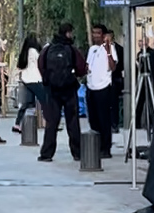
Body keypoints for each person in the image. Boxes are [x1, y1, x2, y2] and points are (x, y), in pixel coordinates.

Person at [37, 24, 87, 162]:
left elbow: (41, 65)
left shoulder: (47, 50)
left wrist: (48, 79)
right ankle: (77, 153)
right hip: (69, 90)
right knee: (72, 122)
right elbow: (81, 68)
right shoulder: (72, 50)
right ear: (68, 33)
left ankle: (46, 154)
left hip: (53, 91)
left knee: (52, 122)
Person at [85, 24, 119, 158]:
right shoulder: (92, 49)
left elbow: (113, 67)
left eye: (98, 33)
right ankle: (95, 145)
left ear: (103, 35)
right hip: (91, 87)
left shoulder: (110, 49)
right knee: (93, 119)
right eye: (94, 33)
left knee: (104, 119)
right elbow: (88, 66)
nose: (95, 36)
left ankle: (106, 148)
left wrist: (108, 49)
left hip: (103, 87)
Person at [15, 33, 47, 138]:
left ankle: (17, 124)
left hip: (26, 79)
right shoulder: (33, 51)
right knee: (44, 100)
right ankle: (47, 122)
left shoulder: (24, 52)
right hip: (35, 79)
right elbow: (41, 61)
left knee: (27, 103)